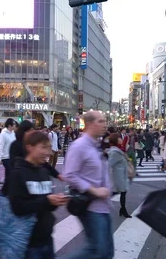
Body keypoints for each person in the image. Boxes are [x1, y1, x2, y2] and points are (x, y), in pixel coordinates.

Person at [8, 131, 69, 258]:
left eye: (49, 147)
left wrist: (55, 202)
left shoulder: (43, 172)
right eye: (43, 147)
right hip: (28, 243)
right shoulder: (18, 174)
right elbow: (18, 208)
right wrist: (47, 201)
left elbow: (46, 203)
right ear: (30, 147)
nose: (48, 152)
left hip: (47, 238)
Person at [63, 111, 114, 259]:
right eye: (100, 121)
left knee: (106, 252)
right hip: (90, 206)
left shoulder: (96, 145)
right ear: (90, 124)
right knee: (95, 250)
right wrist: (94, 190)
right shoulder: (79, 146)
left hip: (103, 205)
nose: (105, 124)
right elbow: (69, 174)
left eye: (105, 121)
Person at [107, 133, 131, 218]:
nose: (121, 139)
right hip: (118, 176)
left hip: (121, 174)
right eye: (119, 138)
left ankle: (123, 209)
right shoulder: (115, 152)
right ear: (115, 140)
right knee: (117, 192)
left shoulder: (119, 149)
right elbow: (109, 164)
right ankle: (99, 201)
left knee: (122, 192)